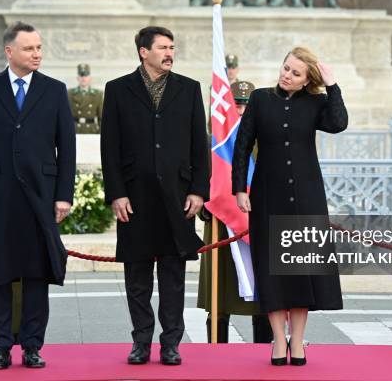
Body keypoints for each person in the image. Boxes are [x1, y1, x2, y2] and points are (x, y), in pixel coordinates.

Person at [0, 21, 76, 369]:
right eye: (29, 48)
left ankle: (31, 346)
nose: (37, 54)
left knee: (35, 274)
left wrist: (63, 196)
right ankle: (0, 345)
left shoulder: (54, 90)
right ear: (9, 51)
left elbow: (67, 148)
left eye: (39, 48)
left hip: (40, 197)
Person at [100, 26, 209, 365]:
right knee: (137, 276)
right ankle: (141, 341)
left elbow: (198, 145)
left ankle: (171, 342)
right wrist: (116, 194)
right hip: (135, 198)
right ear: (143, 52)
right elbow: (110, 148)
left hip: (177, 196)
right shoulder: (118, 90)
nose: (169, 53)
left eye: (172, 47)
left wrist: (198, 190)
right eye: (163, 47)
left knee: (174, 275)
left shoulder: (189, 89)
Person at [232, 46, 347, 365]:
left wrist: (332, 84)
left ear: (307, 79)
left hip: (307, 197)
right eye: (286, 68)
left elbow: (338, 123)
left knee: (300, 272)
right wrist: (239, 189)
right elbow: (242, 146)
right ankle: (277, 341)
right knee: (272, 273)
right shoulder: (260, 99)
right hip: (268, 196)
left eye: (296, 73)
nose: (287, 75)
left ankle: (297, 341)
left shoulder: (316, 102)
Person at [197, 80, 273, 344]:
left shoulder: (266, 141)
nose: (240, 111)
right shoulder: (214, 143)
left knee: (263, 297)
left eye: (246, 106)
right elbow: (200, 179)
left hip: (257, 226)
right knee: (219, 297)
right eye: (235, 105)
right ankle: (216, 352)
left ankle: (262, 349)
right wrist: (206, 209)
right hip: (221, 227)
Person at [68, 63, 103, 134]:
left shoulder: (98, 94)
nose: (83, 78)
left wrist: (101, 133)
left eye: (86, 75)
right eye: (81, 75)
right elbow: (65, 116)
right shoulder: (69, 93)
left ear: (90, 78)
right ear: (77, 78)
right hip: (74, 130)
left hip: (91, 130)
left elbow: (101, 118)